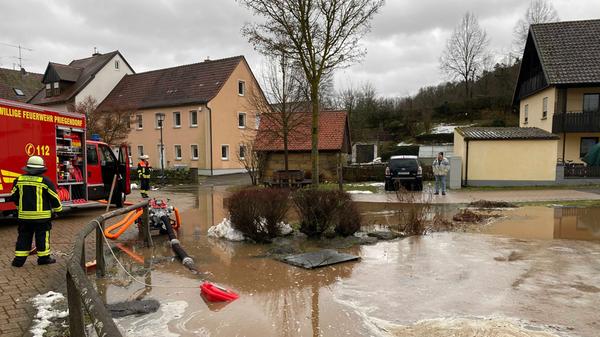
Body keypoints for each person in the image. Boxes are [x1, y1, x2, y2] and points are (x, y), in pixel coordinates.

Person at [10, 156, 62, 267]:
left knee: (24, 237)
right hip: (42, 218)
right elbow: (54, 197)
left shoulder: (19, 180)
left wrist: (20, 207)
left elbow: (13, 196)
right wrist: (58, 210)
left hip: (24, 217)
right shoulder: (45, 181)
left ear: (27, 167)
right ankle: (43, 259)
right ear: (41, 168)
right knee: (42, 237)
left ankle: (18, 261)